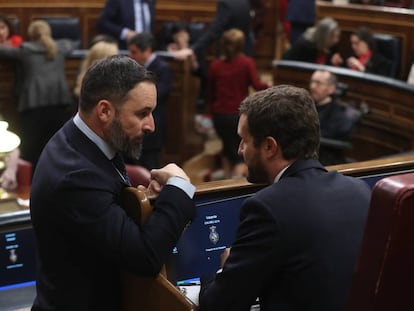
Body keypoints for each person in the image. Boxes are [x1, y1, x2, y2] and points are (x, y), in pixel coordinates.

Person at [30, 55, 197, 310]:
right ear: (105, 111)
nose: (151, 125)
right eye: (143, 113)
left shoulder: (83, 139)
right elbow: (145, 256)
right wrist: (180, 187)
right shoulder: (75, 177)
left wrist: (139, 205)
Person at [198, 85, 371, 311]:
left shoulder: (267, 208)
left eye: (245, 140)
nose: (240, 150)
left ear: (269, 146)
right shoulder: (360, 191)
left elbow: (218, 305)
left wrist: (225, 267)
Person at [0, 20, 76, 170]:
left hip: (33, 107)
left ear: (31, 35)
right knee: (57, 151)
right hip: (58, 106)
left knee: (32, 153)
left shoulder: (25, 49)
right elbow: (74, 42)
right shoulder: (60, 47)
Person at [208, 28, 269, 179]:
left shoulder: (215, 65)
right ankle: (233, 189)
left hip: (220, 116)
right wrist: (269, 85)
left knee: (227, 151)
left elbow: (210, 92)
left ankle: (222, 186)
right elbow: (256, 85)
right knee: (239, 155)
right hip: (237, 116)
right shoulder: (246, 63)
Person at [127, 32, 173, 169]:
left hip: (153, 130)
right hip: (134, 129)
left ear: (146, 50)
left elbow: (158, 95)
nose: (131, 56)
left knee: (150, 168)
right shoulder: (133, 68)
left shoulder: (163, 68)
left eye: (134, 52)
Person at [172, 0, 253, 59]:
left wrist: (192, 49)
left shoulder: (225, 3)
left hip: (229, 54)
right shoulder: (244, 1)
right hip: (244, 51)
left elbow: (214, 31)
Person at [310, 70, 355, 141]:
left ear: (331, 89)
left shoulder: (339, 114)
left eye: (318, 83)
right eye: (312, 82)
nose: (312, 86)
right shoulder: (307, 106)